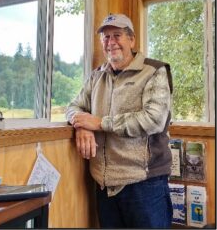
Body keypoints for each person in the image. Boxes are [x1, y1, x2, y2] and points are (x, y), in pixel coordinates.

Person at [66, 13, 173, 228]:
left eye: (117, 35)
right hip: (103, 186)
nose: (111, 42)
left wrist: (99, 123)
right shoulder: (96, 75)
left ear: (131, 40)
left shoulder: (155, 71)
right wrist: (80, 126)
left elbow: (153, 120)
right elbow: (72, 107)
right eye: (105, 37)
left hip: (144, 185)